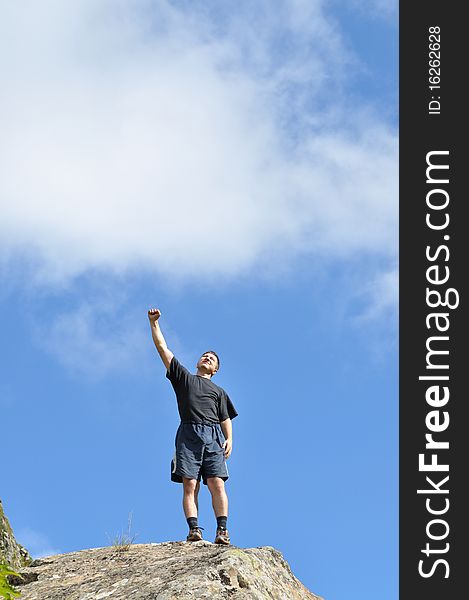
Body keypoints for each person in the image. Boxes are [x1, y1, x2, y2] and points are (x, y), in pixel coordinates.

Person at [148, 307, 238, 545]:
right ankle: (194, 529)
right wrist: (154, 324)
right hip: (188, 433)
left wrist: (229, 439)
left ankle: (222, 530)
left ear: (216, 369)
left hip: (212, 436)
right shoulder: (185, 379)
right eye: (205, 355)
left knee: (216, 482)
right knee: (190, 484)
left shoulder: (219, 392)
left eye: (213, 358)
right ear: (198, 362)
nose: (207, 357)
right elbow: (163, 350)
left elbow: (225, 418)